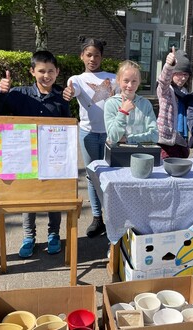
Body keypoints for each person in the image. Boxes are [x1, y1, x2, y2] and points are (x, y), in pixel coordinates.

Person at [0, 50, 72, 258]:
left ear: (57, 72)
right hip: (24, 156)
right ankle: (29, 236)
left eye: (51, 71)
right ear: (32, 71)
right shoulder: (18, 94)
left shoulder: (62, 97)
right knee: (29, 195)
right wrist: (1, 93)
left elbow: (67, 126)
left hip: (53, 156)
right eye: (41, 71)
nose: (46, 75)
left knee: (54, 195)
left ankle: (53, 234)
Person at [64, 38, 116, 238]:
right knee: (92, 176)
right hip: (88, 134)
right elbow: (73, 90)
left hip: (111, 135)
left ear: (102, 57)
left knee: (111, 174)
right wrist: (69, 92)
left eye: (96, 55)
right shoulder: (76, 79)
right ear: (82, 56)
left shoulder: (112, 79)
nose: (92, 59)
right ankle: (97, 217)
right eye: (88, 55)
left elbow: (124, 97)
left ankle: (113, 216)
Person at [104, 60, 158, 144]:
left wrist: (128, 139)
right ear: (118, 80)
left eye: (134, 81)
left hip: (141, 154)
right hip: (118, 154)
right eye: (126, 81)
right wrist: (123, 112)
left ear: (139, 82)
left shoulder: (145, 104)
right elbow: (113, 137)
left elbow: (154, 135)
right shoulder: (111, 104)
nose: (130, 85)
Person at [156, 46, 192, 159]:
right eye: (179, 74)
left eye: (185, 74)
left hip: (181, 140)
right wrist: (169, 66)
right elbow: (163, 81)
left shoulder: (185, 93)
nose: (182, 78)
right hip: (165, 140)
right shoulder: (165, 90)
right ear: (172, 74)